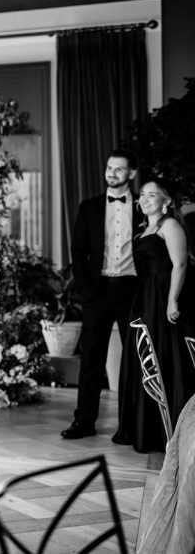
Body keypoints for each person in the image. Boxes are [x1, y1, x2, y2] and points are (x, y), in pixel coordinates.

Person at [62, 150, 142, 440]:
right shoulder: (90, 207)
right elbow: (78, 250)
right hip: (97, 291)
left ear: (132, 173)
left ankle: (130, 426)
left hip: (131, 290)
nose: (112, 173)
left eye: (119, 169)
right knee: (92, 359)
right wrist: (84, 288)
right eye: (110, 168)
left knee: (133, 359)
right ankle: (84, 422)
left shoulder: (142, 208)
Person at [113, 177, 194, 452]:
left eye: (152, 195)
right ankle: (146, 430)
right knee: (145, 359)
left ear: (166, 201)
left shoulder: (169, 225)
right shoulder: (143, 229)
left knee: (164, 358)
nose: (144, 199)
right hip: (144, 299)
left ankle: (169, 432)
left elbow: (180, 263)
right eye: (142, 195)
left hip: (162, 299)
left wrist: (172, 300)